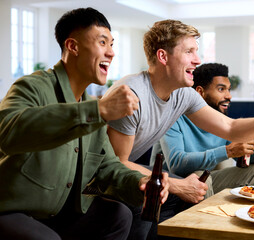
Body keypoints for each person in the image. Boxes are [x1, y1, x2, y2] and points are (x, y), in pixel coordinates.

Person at [105, 19, 254, 239]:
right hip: (102, 178)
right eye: (189, 51)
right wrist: (178, 185)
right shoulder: (132, 94)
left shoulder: (183, 94)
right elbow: (116, 164)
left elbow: (231, 127)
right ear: (163, 57)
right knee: (152, 196)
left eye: (196, 52)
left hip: (139, 173)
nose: (197, 60)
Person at [0, 8, 168, 240]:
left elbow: (107, 167)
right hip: (13, 211)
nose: (111, 53)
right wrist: (96, 110)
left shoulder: (93, 106)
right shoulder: (32, 86)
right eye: (102, 42)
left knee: (119, 214)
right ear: (73, 46)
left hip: (63, 214)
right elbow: (7, 132)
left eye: (112, 44)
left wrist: (140, 182)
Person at [151, 63, 254, 198]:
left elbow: (242, 158)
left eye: (229, 90)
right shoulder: (173, 118)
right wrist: (228, 151)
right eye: (221, 89)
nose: (229, 96)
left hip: (205, 182)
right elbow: (176, 164)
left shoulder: (221, 122)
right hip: (172, 186)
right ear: (200, 93)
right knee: (201, 177)